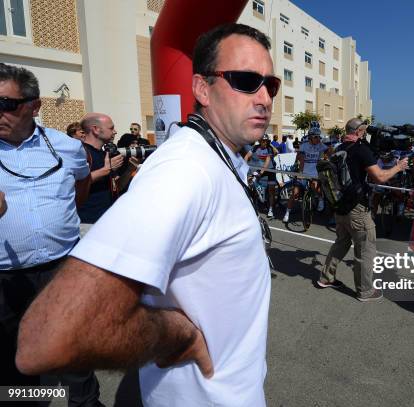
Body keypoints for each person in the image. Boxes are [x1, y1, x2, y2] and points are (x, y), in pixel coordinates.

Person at [16, 23, 279, 406]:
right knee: (20, 393)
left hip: (230, 392)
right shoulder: (185, 169)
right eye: (244, 80)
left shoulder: (215, 159)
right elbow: (48, 338)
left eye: (269, 84)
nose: (264, 98)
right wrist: (176, 335)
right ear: (202, 89)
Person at [0, 63, 102, 405]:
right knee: (15, 361)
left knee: (73, 351)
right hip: (6, 279)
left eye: (5, 104)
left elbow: (81, 181)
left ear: (34, 105)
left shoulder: (66, 146)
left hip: (62, 268)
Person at [318, 118, 409, 301]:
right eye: (365, 131)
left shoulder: (339, 148)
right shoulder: (361, 149)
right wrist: (398, 167)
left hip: (340, 206)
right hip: (357, 209)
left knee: (341, 243)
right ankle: (365, 290)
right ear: (359, 131)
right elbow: (380, 177)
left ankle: (326, 278)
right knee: (365, 250)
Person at [78, 113, 133, 223]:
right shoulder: (80, 153)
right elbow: (74, 183)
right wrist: (105, 170)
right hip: (88, 222)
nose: (115, 131)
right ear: (95, 129)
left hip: (107, 220)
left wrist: (131, 168)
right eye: (111, 128)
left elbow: (118, 186)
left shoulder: (105, 155)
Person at [283, 122, 331, 222]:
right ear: (310, 137)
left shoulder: (321, 145)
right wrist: (299, 169)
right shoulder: (304, 145)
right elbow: (299, 158)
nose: (318, 139)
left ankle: (320, 199)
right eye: (316, 137)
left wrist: (329, 155)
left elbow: (330, 152)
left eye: (319, 137)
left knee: (314, 186)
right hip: (303, 172)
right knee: (295, 193)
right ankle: (287, 212)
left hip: (315, 173)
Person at [245, 134, 278, 217]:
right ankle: (256, 202)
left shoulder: (269, 148)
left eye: (266, 141)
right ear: (259, 141)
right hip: (261, 170)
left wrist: (261, 173)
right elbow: (247, 156)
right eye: (263, 141)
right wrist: (243, 166)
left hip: (270, 170)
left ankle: (271, 209)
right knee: (252, 183)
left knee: (271, 190)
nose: (265, 143)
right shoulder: (256, 147)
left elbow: (267, 162)